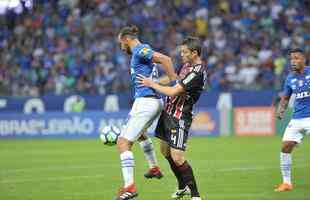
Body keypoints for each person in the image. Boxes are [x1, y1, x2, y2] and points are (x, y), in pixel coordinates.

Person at [138, 36, 206, 200]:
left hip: (180, 117)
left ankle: (196, 196)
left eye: (185, 52)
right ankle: (182, 187)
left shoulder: (196, 72)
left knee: (177, 156)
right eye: (181, 51)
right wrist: (153, 81)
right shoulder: (187, 65)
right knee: (165, 151)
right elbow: (174, 80)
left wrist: (152, 84)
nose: (181, 54)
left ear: (195, 53)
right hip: (168, 112)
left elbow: (173, 91)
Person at [116, 25, 177, 200]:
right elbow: (156, 76)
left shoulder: (139, 49)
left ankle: (130, 187)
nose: (121, 47)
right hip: (149, 100)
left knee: (123, 143)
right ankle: (154, 168)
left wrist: (173, 81)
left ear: (126, 39)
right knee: (140, 134)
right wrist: (158, 83)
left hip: (146, 101)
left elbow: (166, 59)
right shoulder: (143, 51)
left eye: (121, 43)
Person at [275, 48, 310, 192]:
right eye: (291, 59)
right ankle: (286, 183)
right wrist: (281, 109)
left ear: (304, 59)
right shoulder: (290, 78)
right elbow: (286, 96)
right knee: (285, 146)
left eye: (296, 58)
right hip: (297, 118)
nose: (293, 61)